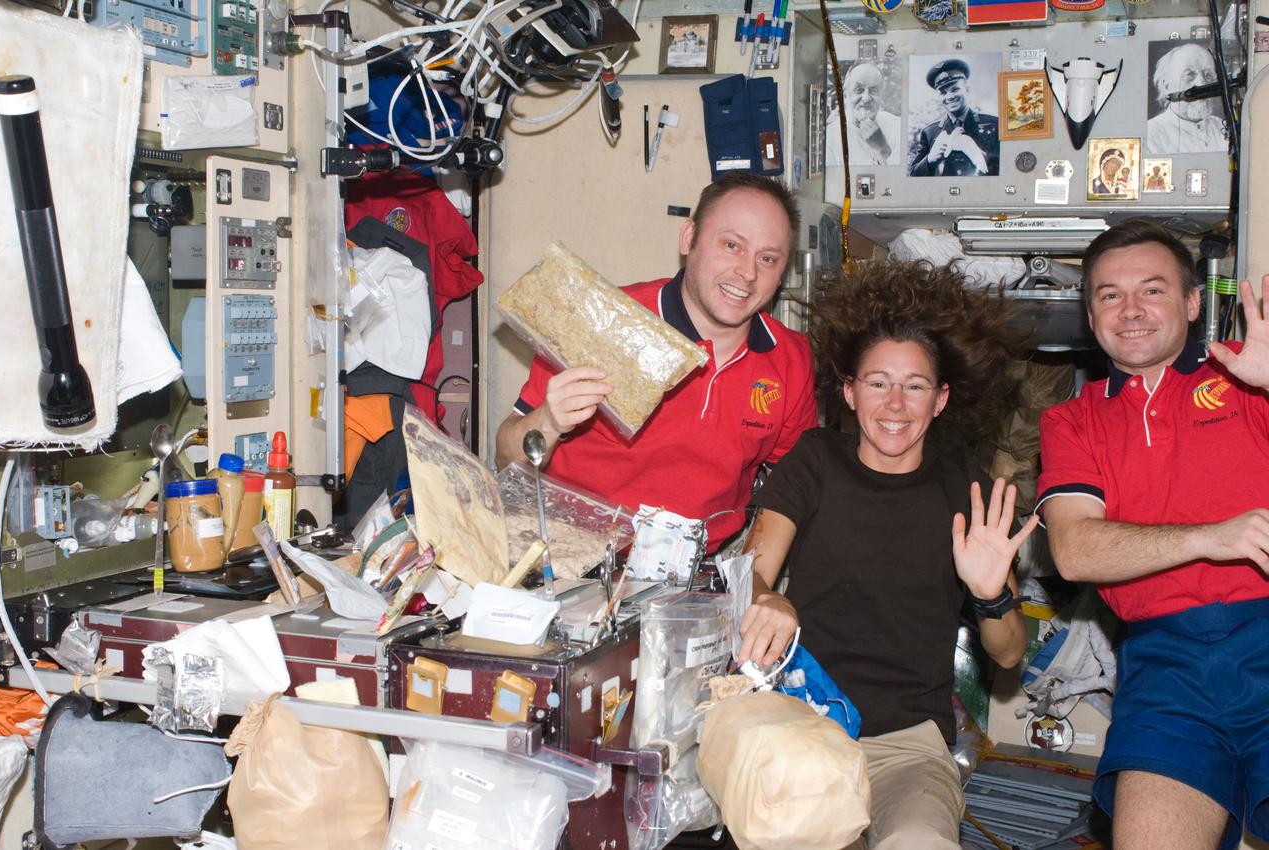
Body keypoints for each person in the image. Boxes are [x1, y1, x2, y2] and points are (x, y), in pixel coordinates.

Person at [737, 259, 1035, 849]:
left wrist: (989, 593)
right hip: (803, 727)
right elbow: (748, 573)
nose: (895, 404)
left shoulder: (966, 490)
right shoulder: (816, 461)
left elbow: (1010, 655)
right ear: (849, 390)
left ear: (941, 399)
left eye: (915, 385)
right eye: (877, 382)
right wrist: (771, 600)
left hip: (909, 748)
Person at [1037, 219, 1269, 850]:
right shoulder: (1071, 420)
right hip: (1165, 668)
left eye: (1153, 290)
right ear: (1091, 315)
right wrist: (1209, 537)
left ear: (1194, 303)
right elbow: (1075, 550)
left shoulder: (1249, 383)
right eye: (1110, 295)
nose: (1131, 309)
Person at [494, 173, 818, 552]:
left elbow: (792, 488)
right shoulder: (606, 322)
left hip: (701, 572)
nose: (747, 273)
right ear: (688, 239)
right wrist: (548, 422)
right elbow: (506, 456)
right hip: (570, 560)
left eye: (767, 258)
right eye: (732, 245)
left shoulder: (789, 358)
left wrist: (755, 580)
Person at [909, 58, 999, 177]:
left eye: (955, 89)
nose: (949, 96)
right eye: (943, 93)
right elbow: (913, 175)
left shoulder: (994, 124)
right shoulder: (929, 132)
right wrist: (929, 160)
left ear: (967, 90)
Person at [1146, 43, 1228, 154]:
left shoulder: (1224, 127)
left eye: (1208, 75)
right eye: (1189, 75)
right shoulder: (1150, 135)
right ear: (1167, 85)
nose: (1202, 83)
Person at [838, 62, 902, 167]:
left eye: (874, 90)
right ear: (845, 96)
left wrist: (883, 149)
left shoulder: (897, 127)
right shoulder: (832, 136)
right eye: (859, 90)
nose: (866, 98)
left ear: (881, 96)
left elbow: (900, 178)